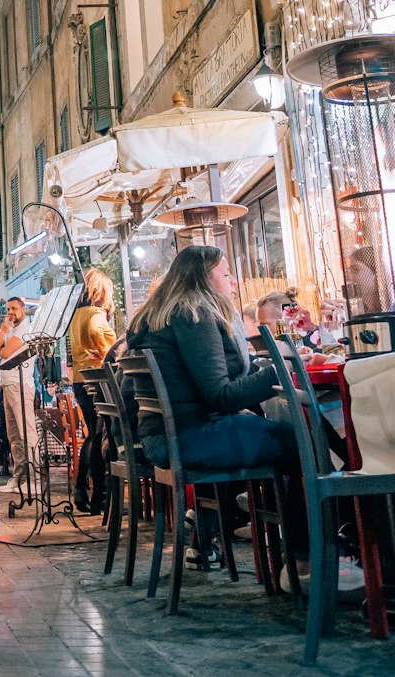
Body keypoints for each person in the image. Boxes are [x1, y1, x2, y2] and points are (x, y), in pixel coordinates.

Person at [124, 245, 320, 573]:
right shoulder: (194, 314)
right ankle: (303, 560)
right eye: (226, 273)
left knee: (256, 427)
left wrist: (267, 370)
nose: (232, 280)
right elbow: (221, 395)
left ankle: (217, 538)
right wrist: (286, 370)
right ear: (204, 277)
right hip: (188, 437)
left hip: (166, 436)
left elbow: (210, 384)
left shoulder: (162, 315)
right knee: (304, 442)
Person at [69, 269, 117, 514]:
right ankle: (100, 495)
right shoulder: (96, 315)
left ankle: (84, 488)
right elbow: (111, 350)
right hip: (97, 379)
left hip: (80, 379)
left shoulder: (77, 315)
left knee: (92, 435)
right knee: (99, 436)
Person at [0, 296, 36, 496]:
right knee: (14, 436)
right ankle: (18, 477)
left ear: (23, 309)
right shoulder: (9, 330)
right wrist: (3, 331)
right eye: (8, 309)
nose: (11, 312)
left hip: (21, 384)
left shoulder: (26, 328)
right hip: (7, 384)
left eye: (14, 308)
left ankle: (33, 479)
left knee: (27, 432)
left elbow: (6, 353)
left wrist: (3, 335)